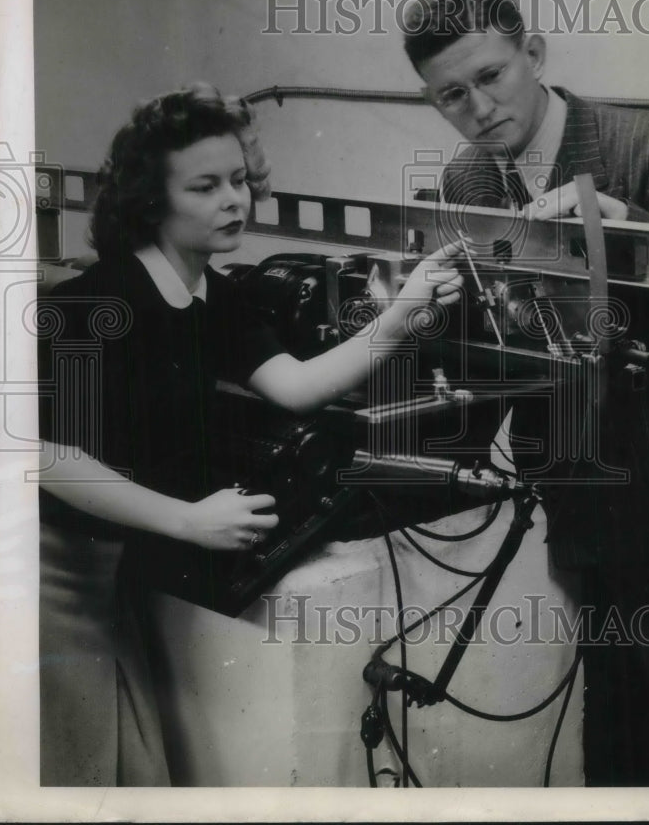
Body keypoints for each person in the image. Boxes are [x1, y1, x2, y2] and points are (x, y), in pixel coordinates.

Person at [36, 82, 465, 787]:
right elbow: (49, 456)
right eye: (205, 186)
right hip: (45, 572)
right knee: (71, 769)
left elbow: (296, 386)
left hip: (107, 565)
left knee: (125, 769)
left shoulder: (215, 297)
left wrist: (404, 312)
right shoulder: (97, 300)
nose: (234, 199)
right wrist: (188, 519)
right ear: (152, 200)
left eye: (238, 180)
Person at [401, 0, 649, 785]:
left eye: (490, 77)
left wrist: (641, 239)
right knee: (611, 719)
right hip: (572, 489)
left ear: (533, 54)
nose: (477, 108)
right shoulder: (463, 183)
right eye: (451, 95)